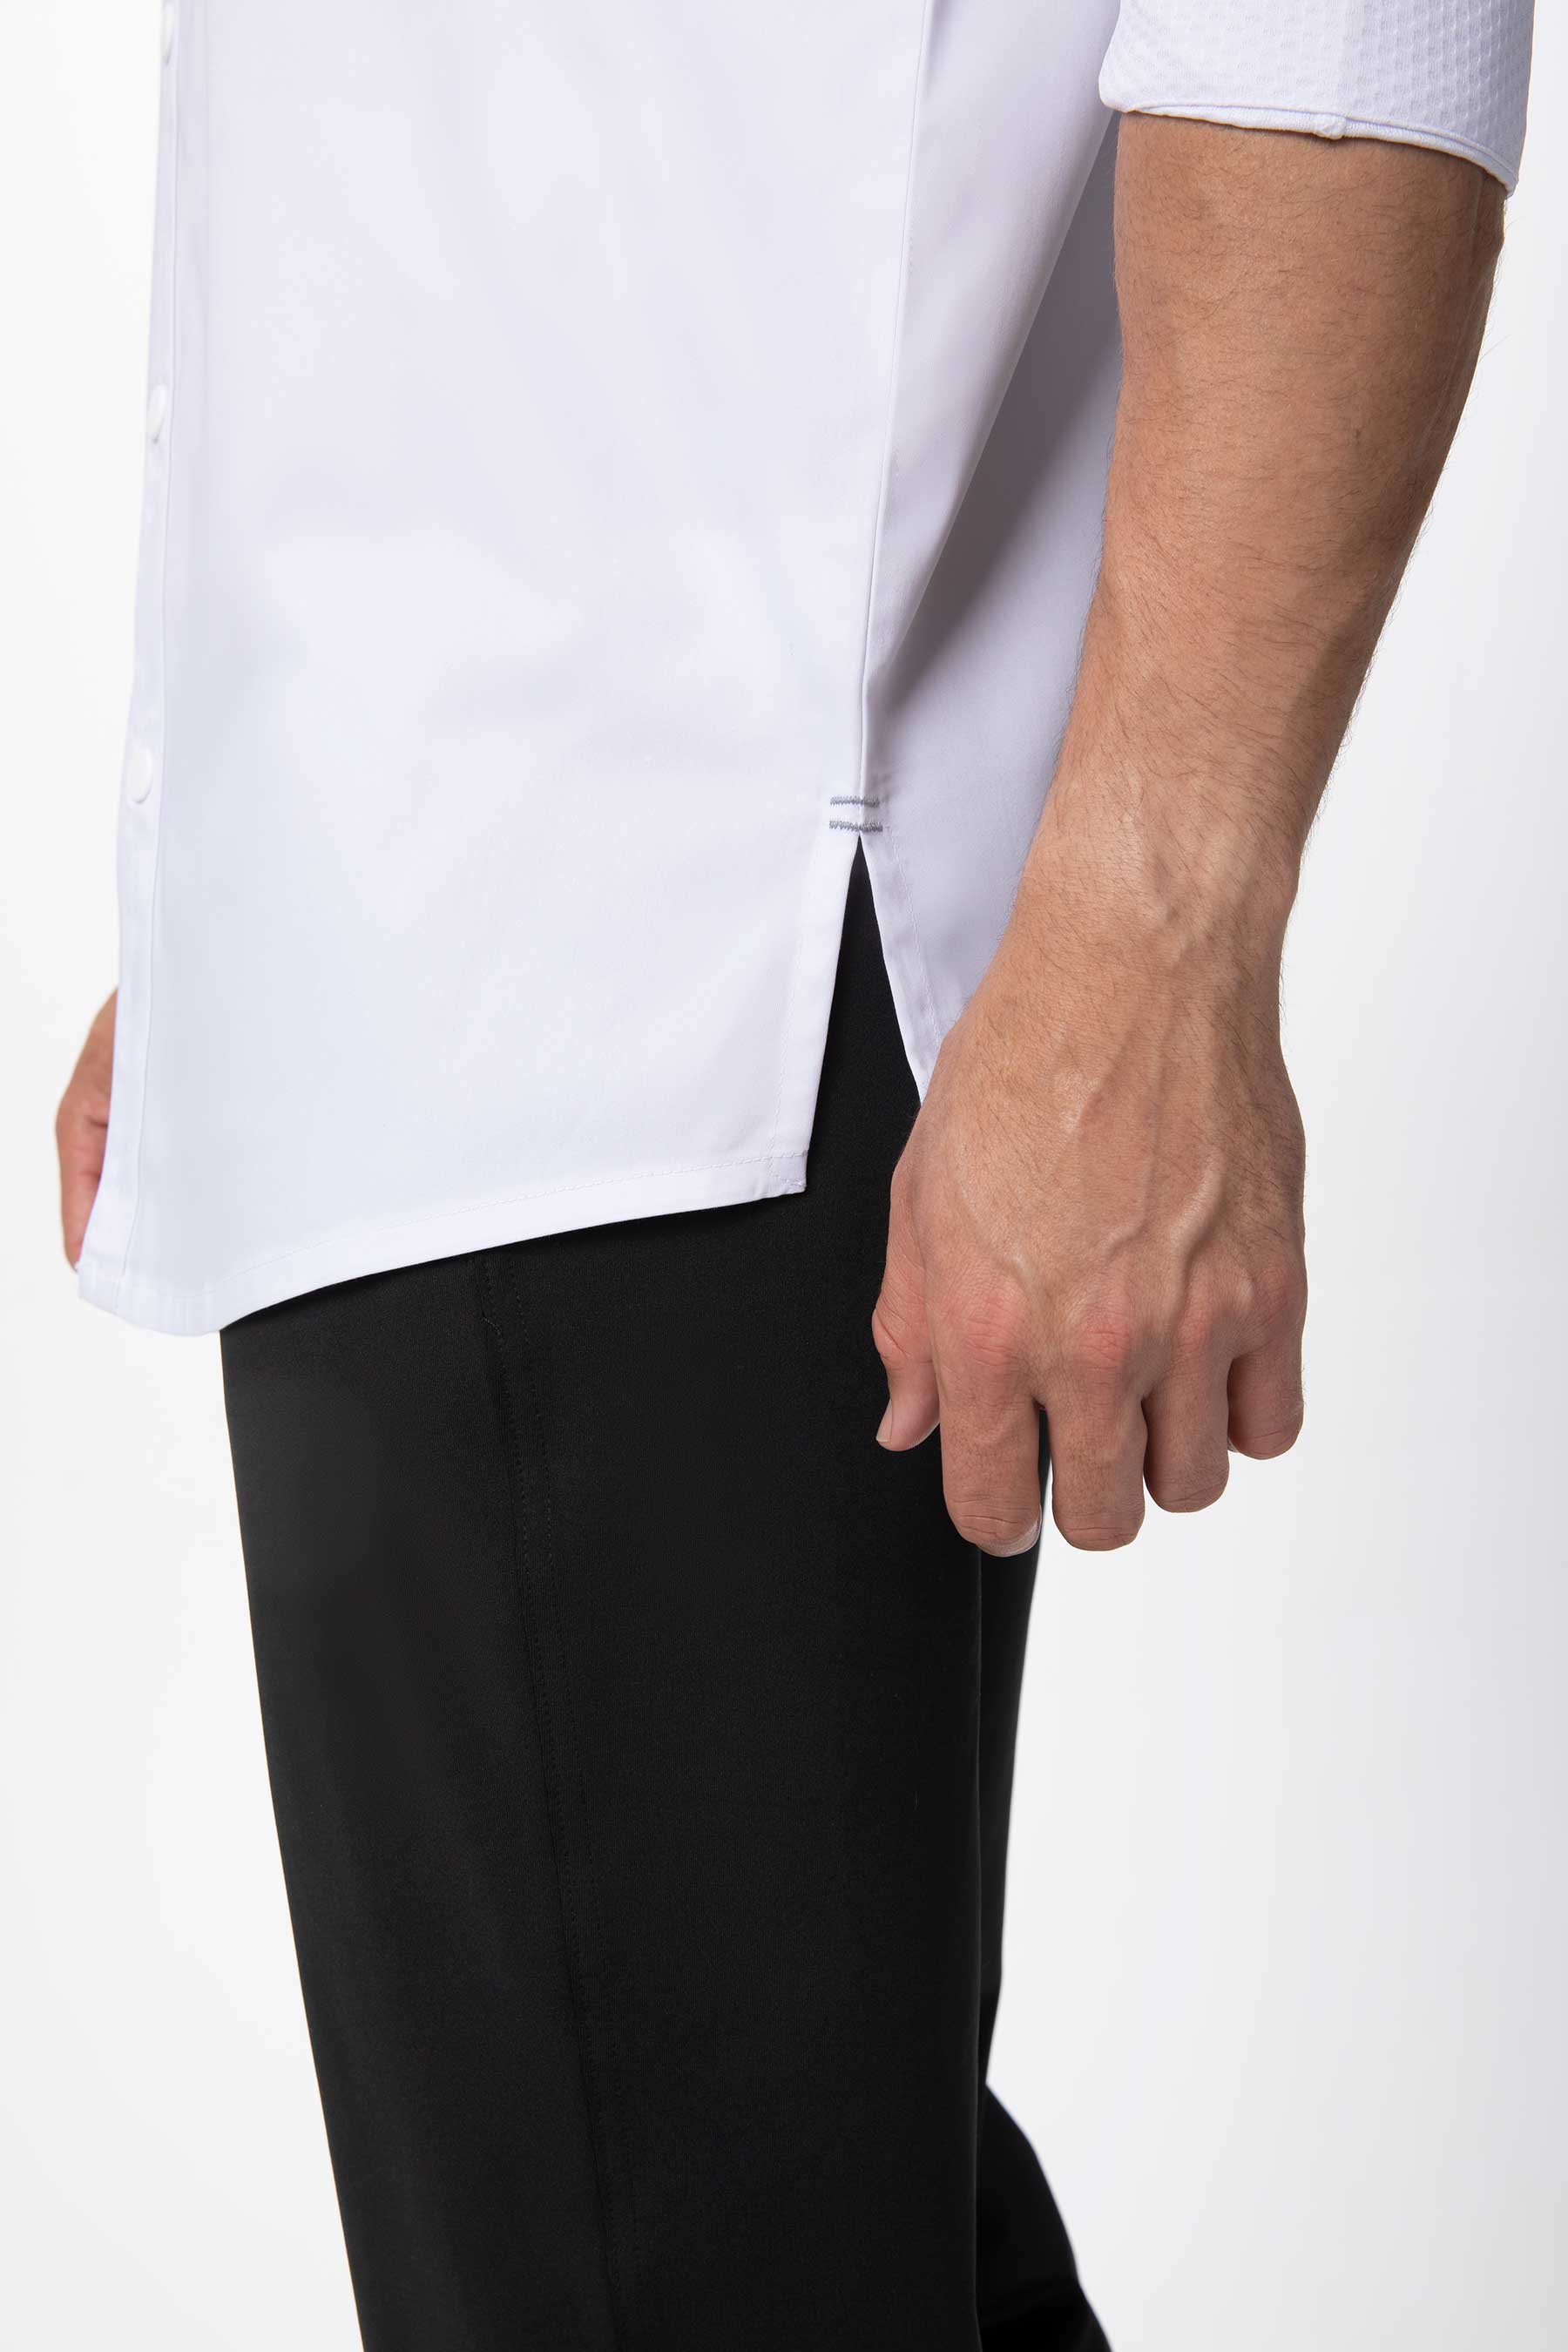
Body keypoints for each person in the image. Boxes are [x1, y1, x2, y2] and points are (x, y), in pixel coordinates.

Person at [55, 6, 1533, 2347]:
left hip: (686, 957)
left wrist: (1159, 923)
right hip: (449, 934)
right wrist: (257, 832)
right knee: (783, 2232)